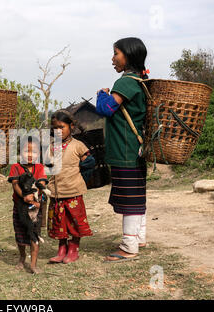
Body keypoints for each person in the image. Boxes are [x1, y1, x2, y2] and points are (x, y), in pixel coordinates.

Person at [94, 37, 149, 263]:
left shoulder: (125, 82)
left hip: (125, 151)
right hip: (135, 150)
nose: (113, 58)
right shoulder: (141, 80)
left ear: (128, 55)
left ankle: (129, 246)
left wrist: (101, 94)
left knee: (129, 199)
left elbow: (106, 109)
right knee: (135, 196)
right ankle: (139, 238)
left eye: (116, 53)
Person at [46, 110, 93, 264]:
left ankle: (73, 249)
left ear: (71, 126)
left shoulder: (78, 145)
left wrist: (81, 177)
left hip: (73, 191)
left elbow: (89, 162)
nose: (58, 131)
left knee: (74, 221)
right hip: (56, 193)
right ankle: (62, 248)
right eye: (55, 128)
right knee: (59, 222)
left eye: (62, 127)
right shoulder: (52, 147)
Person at [8, 137, 48, 274]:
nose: (30, 155)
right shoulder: (16, 167)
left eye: (34, 152)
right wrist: (24, 196)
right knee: (20, 234)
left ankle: (33, 264)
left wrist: (35, 193)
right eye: (26, 151)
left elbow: (42, 183)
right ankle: (22, 256)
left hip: (35, 208)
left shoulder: (40, 167)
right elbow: (15, 185)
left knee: (34, 235)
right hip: (20, 207)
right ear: (20, 152)